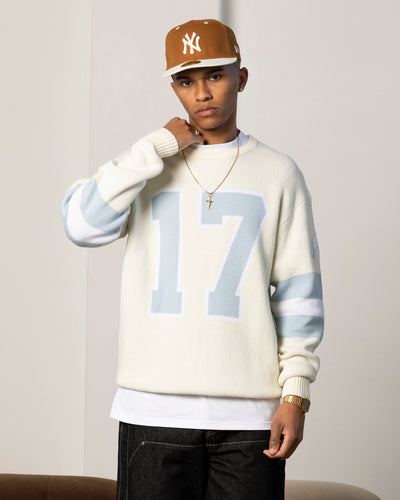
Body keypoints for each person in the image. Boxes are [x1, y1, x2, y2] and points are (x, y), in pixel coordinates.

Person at [61, 18, 323, 500]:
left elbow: (298, 293)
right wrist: (155, 146)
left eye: (215, 75)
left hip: (250, 420)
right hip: (151, 414)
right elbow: (81, 225)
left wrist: (296, 393)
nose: (202, 93)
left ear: (241, 77)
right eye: (185, 81)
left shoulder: (278, 173)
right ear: (174, 89)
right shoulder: (145, 168)